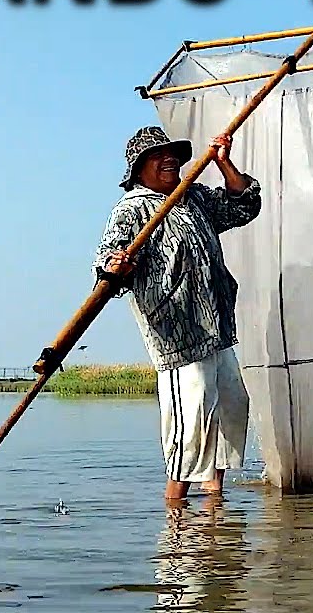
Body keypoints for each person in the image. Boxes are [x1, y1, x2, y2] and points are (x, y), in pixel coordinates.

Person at [94, 125, 261, 499]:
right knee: (192, 411)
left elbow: (244, 206)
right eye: (158, 156)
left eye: (173, 155)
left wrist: (223, 163)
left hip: (215, 325)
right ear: (140, 169)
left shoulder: (194, 197)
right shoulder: (131, 210)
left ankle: (214, 495)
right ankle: (175, 505)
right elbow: (106, 265)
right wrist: (116, 266)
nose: (169, 160)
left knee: (232, 402)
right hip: (177, 333)